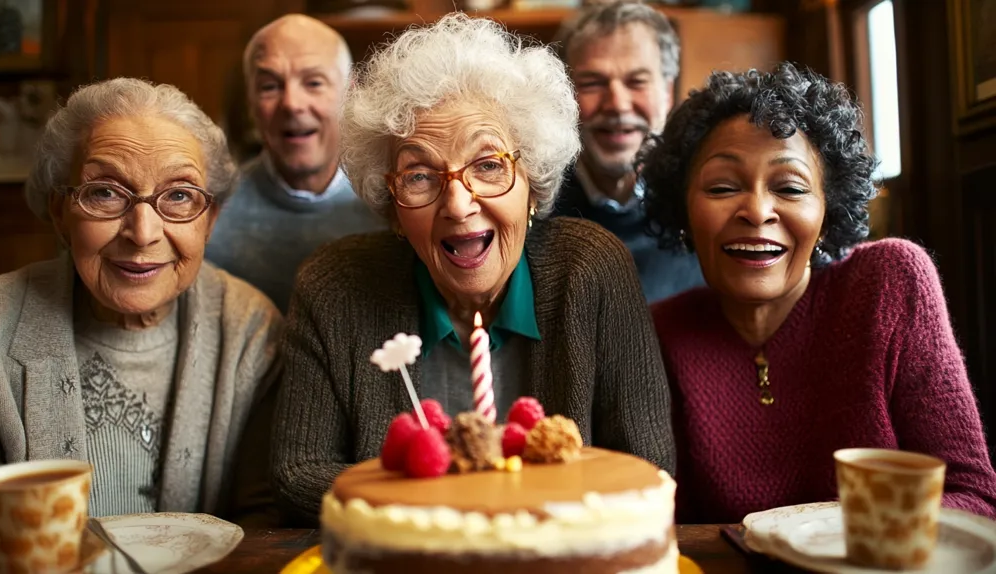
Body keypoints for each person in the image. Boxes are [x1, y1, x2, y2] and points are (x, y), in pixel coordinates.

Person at [271, 13, 674, 526]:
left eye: (488, 165)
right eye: (419, 175)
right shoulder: (335, 287)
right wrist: (462, 499)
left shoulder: (592, 270)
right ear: (393, 206)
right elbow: (297, 475)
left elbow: (646, 471)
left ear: (533, 179)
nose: (459, 204)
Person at [644, 62, 996, 523]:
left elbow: (974, 499)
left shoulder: (889, 284)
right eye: (723, 187)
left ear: (827, 213)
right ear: (684, 212)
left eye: (789, 187)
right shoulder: (660, 332)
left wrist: (816, 539)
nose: (757, 210)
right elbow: (660, 527)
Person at [0, 78, 283, 552]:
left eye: (180, 196)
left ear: (210, 219)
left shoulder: (249, 329)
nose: (143, 232)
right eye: (105, 193)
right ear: (61, 210)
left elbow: (264, 523)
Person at [205, 14, 384, 312]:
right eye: (269, 86)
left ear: (349, 91)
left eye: (313, 83)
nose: (291, 103)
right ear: (250, 100)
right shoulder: (213, 215)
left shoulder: (391, 207)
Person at [552, 1, 704, 302]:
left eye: (637, 82)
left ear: (667, 93)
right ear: (563, 95)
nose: (618, 104)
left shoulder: (703, 208)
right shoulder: (530, 211)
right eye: (593, 83)